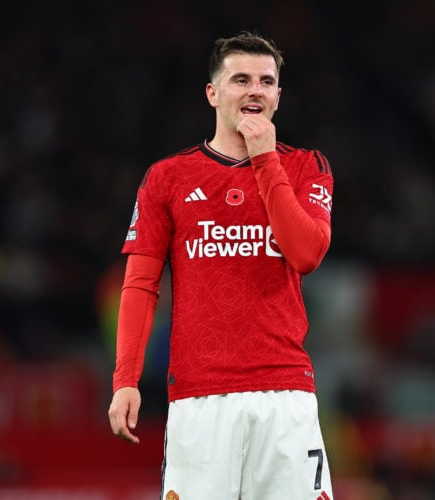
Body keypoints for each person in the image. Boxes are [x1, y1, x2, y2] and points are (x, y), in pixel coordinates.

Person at [108, 31, 335, 500]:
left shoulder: (306, 167)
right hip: (199, 397)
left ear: (277, 95)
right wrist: (125, 379)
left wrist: (265, 159)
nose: (255, 89)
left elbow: (307, 254)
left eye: (266, 81)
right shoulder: (167, 178)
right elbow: (141, 285)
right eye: (240, 79)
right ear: (213, 93)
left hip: (285, 393)